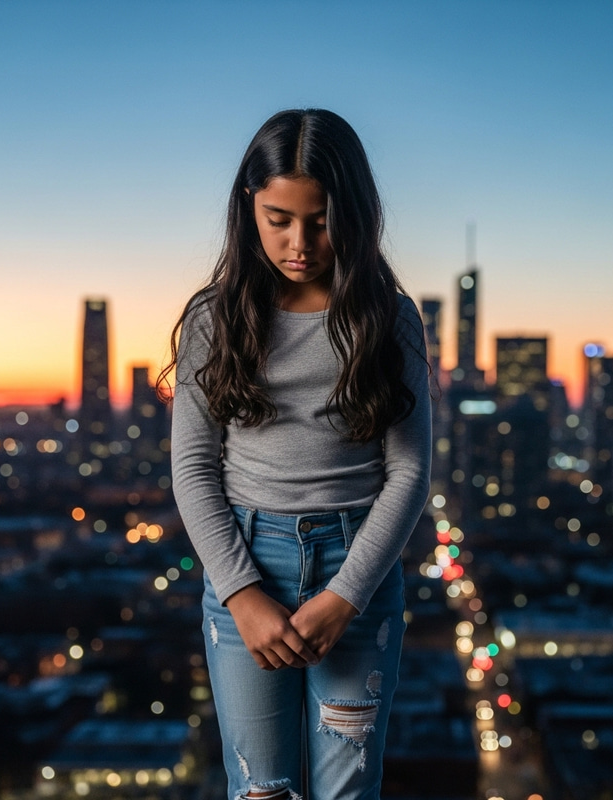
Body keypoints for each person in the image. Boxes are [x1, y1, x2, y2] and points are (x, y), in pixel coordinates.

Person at [163, 109, 431, 800]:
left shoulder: (389, 319)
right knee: (262, 791)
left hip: (357, 566)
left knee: (346, 792)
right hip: (246, 565)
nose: (300, 242)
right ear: (247, 208)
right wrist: (242, 593)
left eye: (320, 220)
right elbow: (194, 469)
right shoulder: (212, 320)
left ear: (357, 215)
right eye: (278, 218)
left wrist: (347, 595)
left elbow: (408, 472)